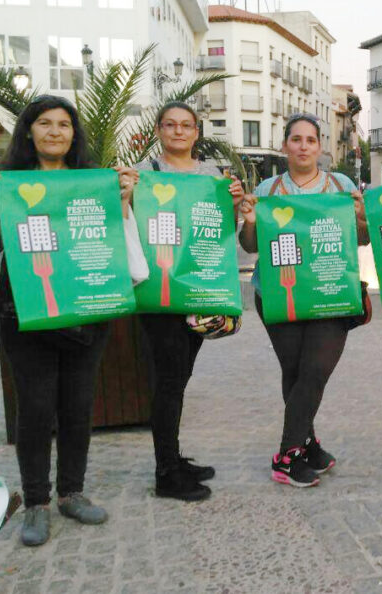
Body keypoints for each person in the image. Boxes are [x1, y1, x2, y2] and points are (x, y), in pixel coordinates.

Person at [0, 95, 139, 545]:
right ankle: (36, 503)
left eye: (64, 124)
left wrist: (123, 198)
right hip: (25, 310)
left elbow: (113, 239)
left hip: (87, 308)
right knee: (36, 408)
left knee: (78, 405)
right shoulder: (8, 185)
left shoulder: (93, 183)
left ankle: (72, 493)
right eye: (44, 123)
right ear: (28, 131)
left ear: (73, 133)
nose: (54, 131)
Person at [238, 114, 369, 488]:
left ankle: (286, 454)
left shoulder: (340, 185)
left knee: (315, 371)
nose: (303, 146)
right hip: (278, 294)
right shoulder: (266, 190)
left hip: (331, 295)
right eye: (296, 139)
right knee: (295, 373)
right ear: (285, 146)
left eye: (310, 140)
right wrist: (249, 221)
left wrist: (362, 217)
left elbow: (362, 239)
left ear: (320, 147)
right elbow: (250, 247)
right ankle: (306, 445)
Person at [132, 101, 245, 502]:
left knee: (179, 379)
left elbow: (222, 232)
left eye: (186, 126)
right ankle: (166, 472)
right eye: (170, 125)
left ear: (196, 132)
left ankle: (174, 457)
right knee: (167, 381)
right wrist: (125, 194)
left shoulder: (211, 175)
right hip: (159, 294)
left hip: (196, 288)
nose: (178, 131)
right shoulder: (144, 174)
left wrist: (234, 205)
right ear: (158, 131)